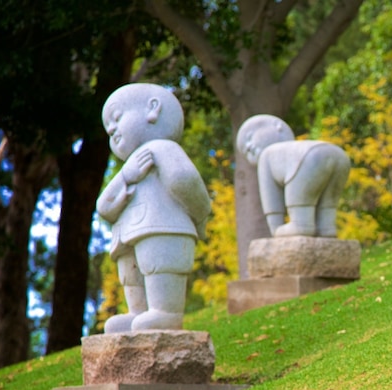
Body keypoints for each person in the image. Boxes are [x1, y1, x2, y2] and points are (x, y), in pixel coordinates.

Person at [96, 83, 211, 333]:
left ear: (153, 109)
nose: (113, 129)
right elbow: (103, 207)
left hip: (164, 225)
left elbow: (184, 180)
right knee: (132, 272)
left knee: (159, 263)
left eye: (116, 118)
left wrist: (200, 215)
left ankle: (165, 312)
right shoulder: (128, 168)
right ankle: (138, 312)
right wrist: (127, 176)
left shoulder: (164, 149)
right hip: (129, 234)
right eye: (108, 129)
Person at [236, 115, 350, 238]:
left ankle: (301, 224)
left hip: (307, 158)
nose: (249, 146)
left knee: (302, 222)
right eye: (245, 150)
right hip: (340, 156)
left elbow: (270, 199)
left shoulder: (267, 155)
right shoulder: (290, 149)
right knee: (327, 210)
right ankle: (327, 227)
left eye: (248, 139)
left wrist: (275, 228)